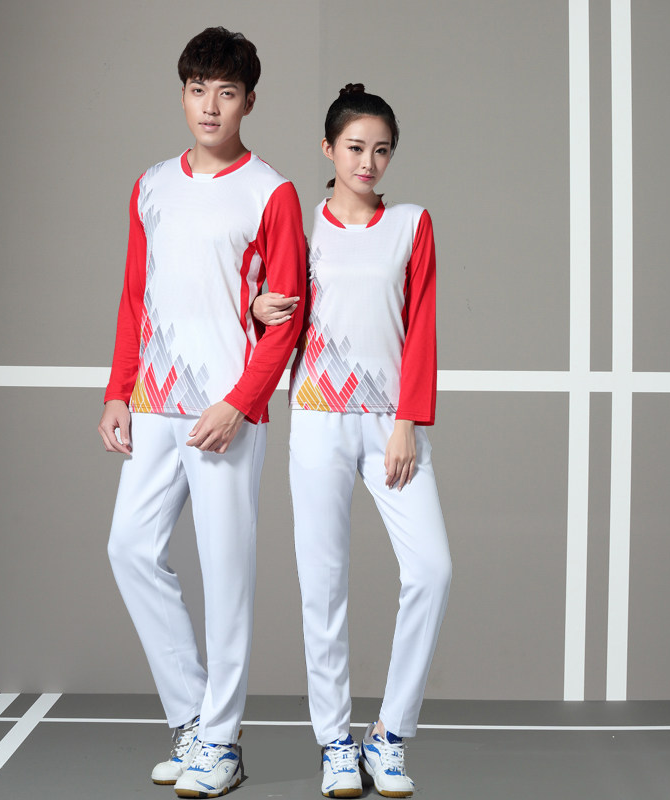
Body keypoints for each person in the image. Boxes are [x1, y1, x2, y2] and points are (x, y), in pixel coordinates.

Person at [97, 26, 305, 799]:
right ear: (183, 95)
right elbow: (135, 294)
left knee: (226, 579)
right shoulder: (151, 184)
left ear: (249, 101)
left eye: (226, 92)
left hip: (225, 412)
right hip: (155, 403)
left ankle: (220, 742)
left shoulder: (272, 192)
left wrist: (241, 404)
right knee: (130, 548)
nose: (210, 106)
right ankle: (194, 721)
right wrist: (118, 390)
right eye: (197, 90)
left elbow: (286, 317)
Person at [252, 84, 451, 799]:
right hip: (317, 418)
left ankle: (388, 736)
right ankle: (336, 741)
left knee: (431, 570)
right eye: (356, 148)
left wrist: (407, 422)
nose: (369, 162)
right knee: (323, 584)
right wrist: (254, 305)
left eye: (382, 150)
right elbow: (268, 305)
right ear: (328, 149)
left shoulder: (411, 224)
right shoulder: (302, 226)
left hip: (390, 424)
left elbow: (422, 327)